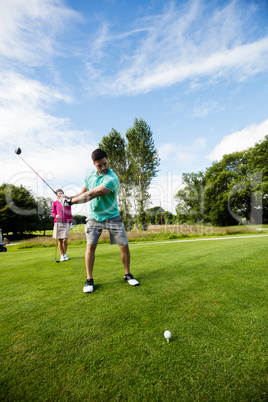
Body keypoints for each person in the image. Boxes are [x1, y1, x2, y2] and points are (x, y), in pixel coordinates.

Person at [60, 148, 139, 293]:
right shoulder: (89, 175)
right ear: (93, 164)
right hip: (94, 217)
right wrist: (69, 198)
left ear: (108, 159)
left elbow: (92, 194)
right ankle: (89, 279)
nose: (103, 167)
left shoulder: (112, 178)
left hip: (112, 216)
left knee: (124, 245)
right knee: (90, 247)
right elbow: (83, 192)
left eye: (105, 164)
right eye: (99, 165)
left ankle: (127, 274)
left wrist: (71, 203)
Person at [52, 189, 73, 261]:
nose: (60, 194)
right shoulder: (55, 203)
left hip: (66, 222)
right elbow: (53, 212)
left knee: (65, 240)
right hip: (58, 222)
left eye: (61, 193)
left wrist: (71, 222)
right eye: (59, 193)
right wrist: (55, 216)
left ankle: (65, 253)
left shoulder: (67, 203)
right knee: (60, 240)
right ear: (57, 195)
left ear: (63, 194)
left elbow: (70, 213)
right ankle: (62, 255)